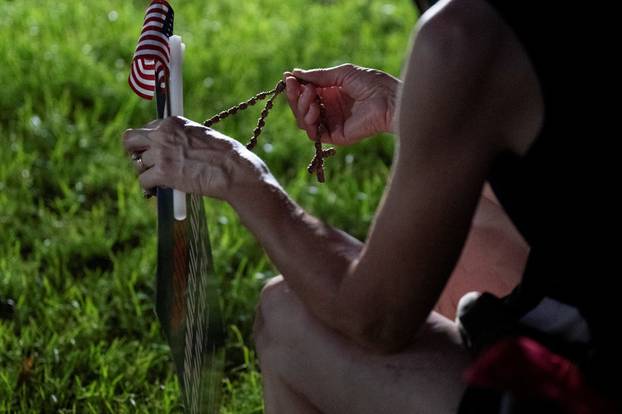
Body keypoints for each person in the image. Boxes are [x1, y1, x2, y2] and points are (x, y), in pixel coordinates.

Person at [123, 0, 618, 412]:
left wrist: (236, 172)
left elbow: (374, 319)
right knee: (464, 226)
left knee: (288, 316)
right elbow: (561, 193)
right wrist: (407, 111)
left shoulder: (464, 35)